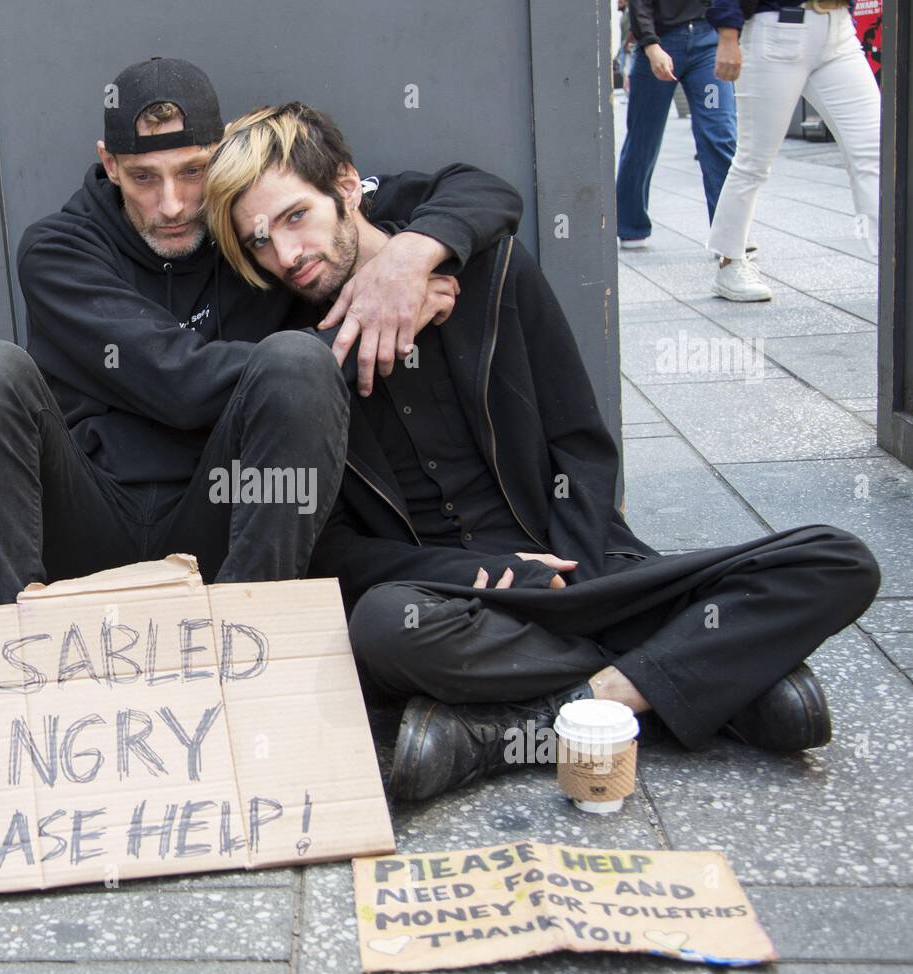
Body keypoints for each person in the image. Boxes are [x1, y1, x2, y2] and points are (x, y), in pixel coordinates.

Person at [203, 101, 881, 803]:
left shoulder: (488, 272)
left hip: (581, 570)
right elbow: (332, 548)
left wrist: (579, 577)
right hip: (453, 598)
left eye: (294, 218)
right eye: (257, 241)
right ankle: (701, 675)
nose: (284, 256)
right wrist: (476, 569)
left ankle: (535, 723)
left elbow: (581, 447)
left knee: (838, 561)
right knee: (381, 630)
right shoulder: (294, 358)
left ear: (347, 186)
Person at [0, 58, 522, 608]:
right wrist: (361, 331)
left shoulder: (255, 225)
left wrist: (409, 260)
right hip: (86, 517)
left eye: (192, 172)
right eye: (143, 178)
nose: (172, 205)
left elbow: (481, 191)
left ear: (217, 156)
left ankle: (253, 637)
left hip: (226, 518)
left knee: (294, 364)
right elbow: (180, 383)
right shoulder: (58, 249)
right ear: (109, 165)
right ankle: (3, 653)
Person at [706, 0, 881, 301]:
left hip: (838, 30)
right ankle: (730, 261)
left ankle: (891, 257)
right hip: (777, 28)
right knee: (754, 160)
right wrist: (727, 36)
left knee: (875, 150)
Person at [616, 1, 737, 250]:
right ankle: (631, 225)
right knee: (643, 138)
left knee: (720, 134)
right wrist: (650, 45)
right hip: (660, 43)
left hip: (708, 44)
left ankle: (730, 233)